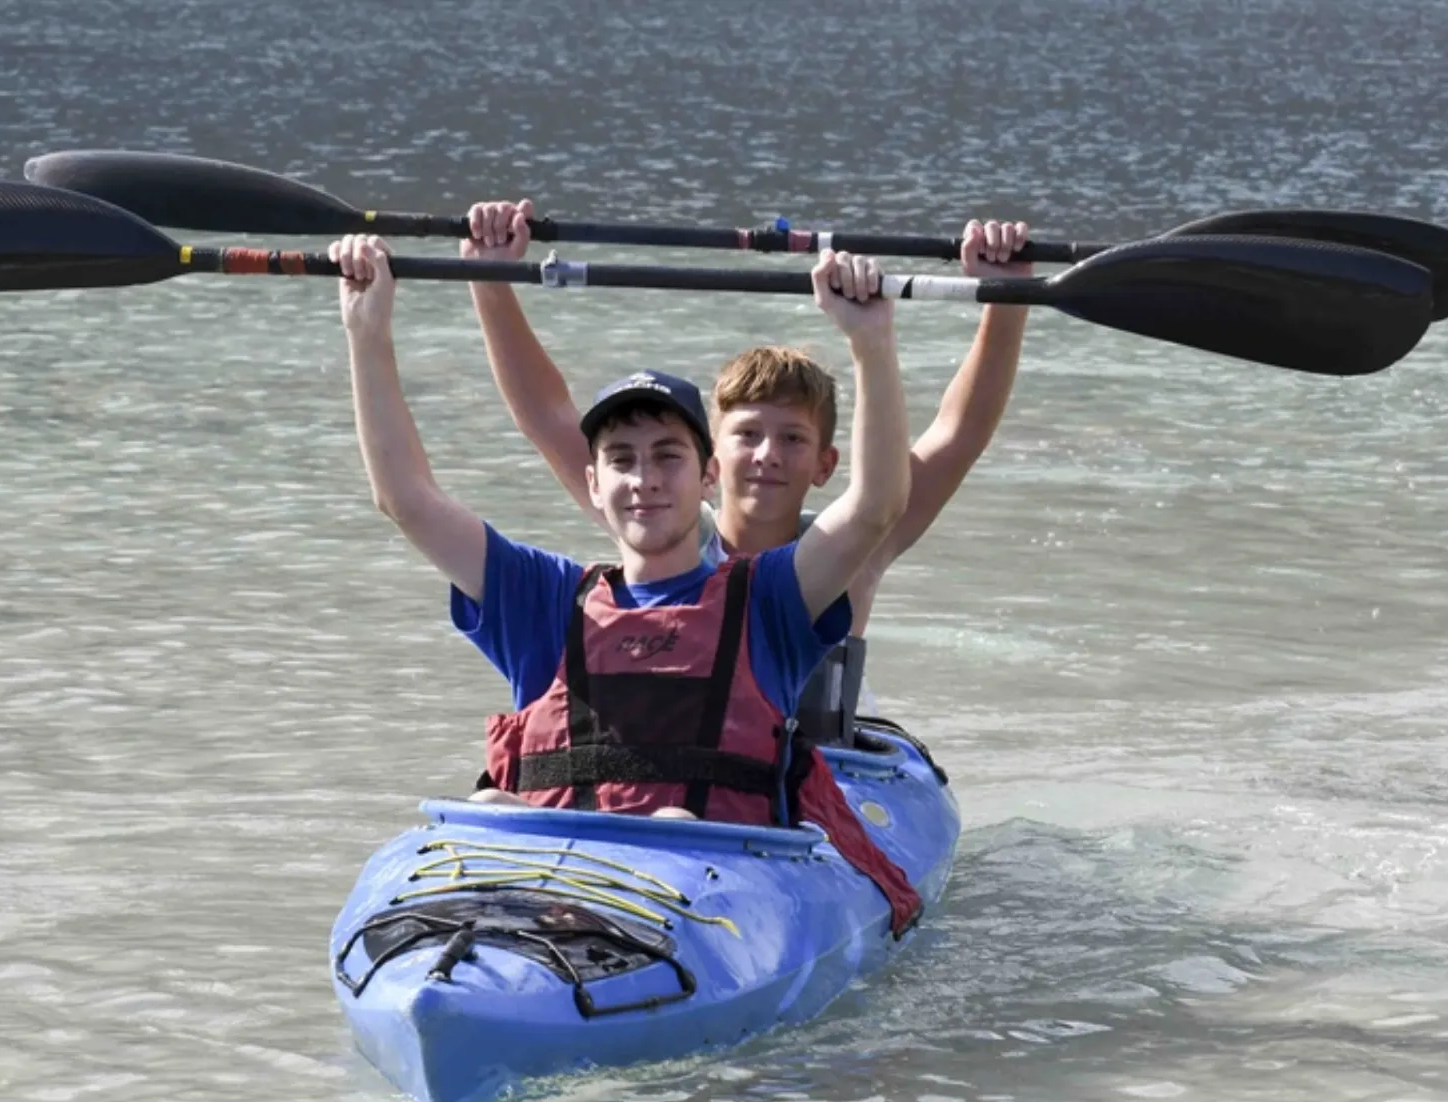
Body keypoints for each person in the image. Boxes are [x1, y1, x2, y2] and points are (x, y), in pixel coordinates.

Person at [328, 233, 923, 934]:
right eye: (622, 459)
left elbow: (875, 507)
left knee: (673, 820)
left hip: (697, 909)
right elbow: (407, 499)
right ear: (593, 482)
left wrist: (871, 345)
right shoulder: (542, 600)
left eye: (668, 456)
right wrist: (366, 332)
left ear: (707, 476)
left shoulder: (768, 601)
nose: (644, 479)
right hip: (536, 899)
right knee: (491, 808)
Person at [462, 200, 1032, 743]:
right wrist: (489, 282)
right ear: (710, 459)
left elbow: (958, 434)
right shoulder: (663, 521)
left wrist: (1005, 300)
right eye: (748, 436)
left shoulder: (856, 545)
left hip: (824, 767)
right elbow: (550, 417)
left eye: (792, 439)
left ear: (825, 465)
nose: (767, 456)